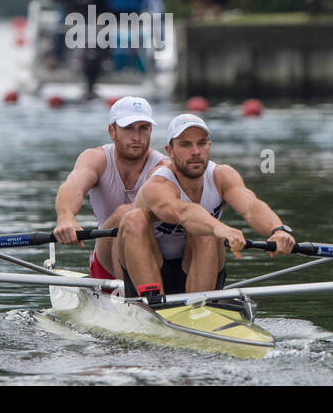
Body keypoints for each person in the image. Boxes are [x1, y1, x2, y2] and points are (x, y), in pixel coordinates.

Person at [116, 113, 296, 300]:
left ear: (208, 146)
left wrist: (278, 230)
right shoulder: (158, 184)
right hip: (149, 268)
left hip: (199, 266)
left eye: (201, 143)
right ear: (170, 151)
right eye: (186, 145)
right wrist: (220, 228)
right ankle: (151, 302)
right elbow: (183, 213)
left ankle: (200, 307)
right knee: (133, 219)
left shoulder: (222, 175)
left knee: (206, 231)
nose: (195, 152)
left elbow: (251, 207)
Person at [53, 96, 167, 283]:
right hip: (106, 261)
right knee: (126, 213)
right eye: (128, 128)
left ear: (151, 131)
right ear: (112, 131)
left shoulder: (162, 165)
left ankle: (144, 294)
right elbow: (73, 186)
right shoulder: (96, 158)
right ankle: (131, 294)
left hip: (154, 258)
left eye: (143, 128)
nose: (137, 137)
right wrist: (66, 217)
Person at [49, 0, 109, 98]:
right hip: (70, 15)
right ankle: (55, 56)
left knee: (97, 36)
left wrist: (99, 18)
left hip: (87, 17)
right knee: (59, 29)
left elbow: (100, 2)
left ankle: (102, 63)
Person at [107, 0, 148, 73]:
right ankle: (118, 67)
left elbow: (144, 2)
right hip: (116, 16)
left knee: (134, 42)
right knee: (118, 43)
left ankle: (133, 67)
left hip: (133, 16)